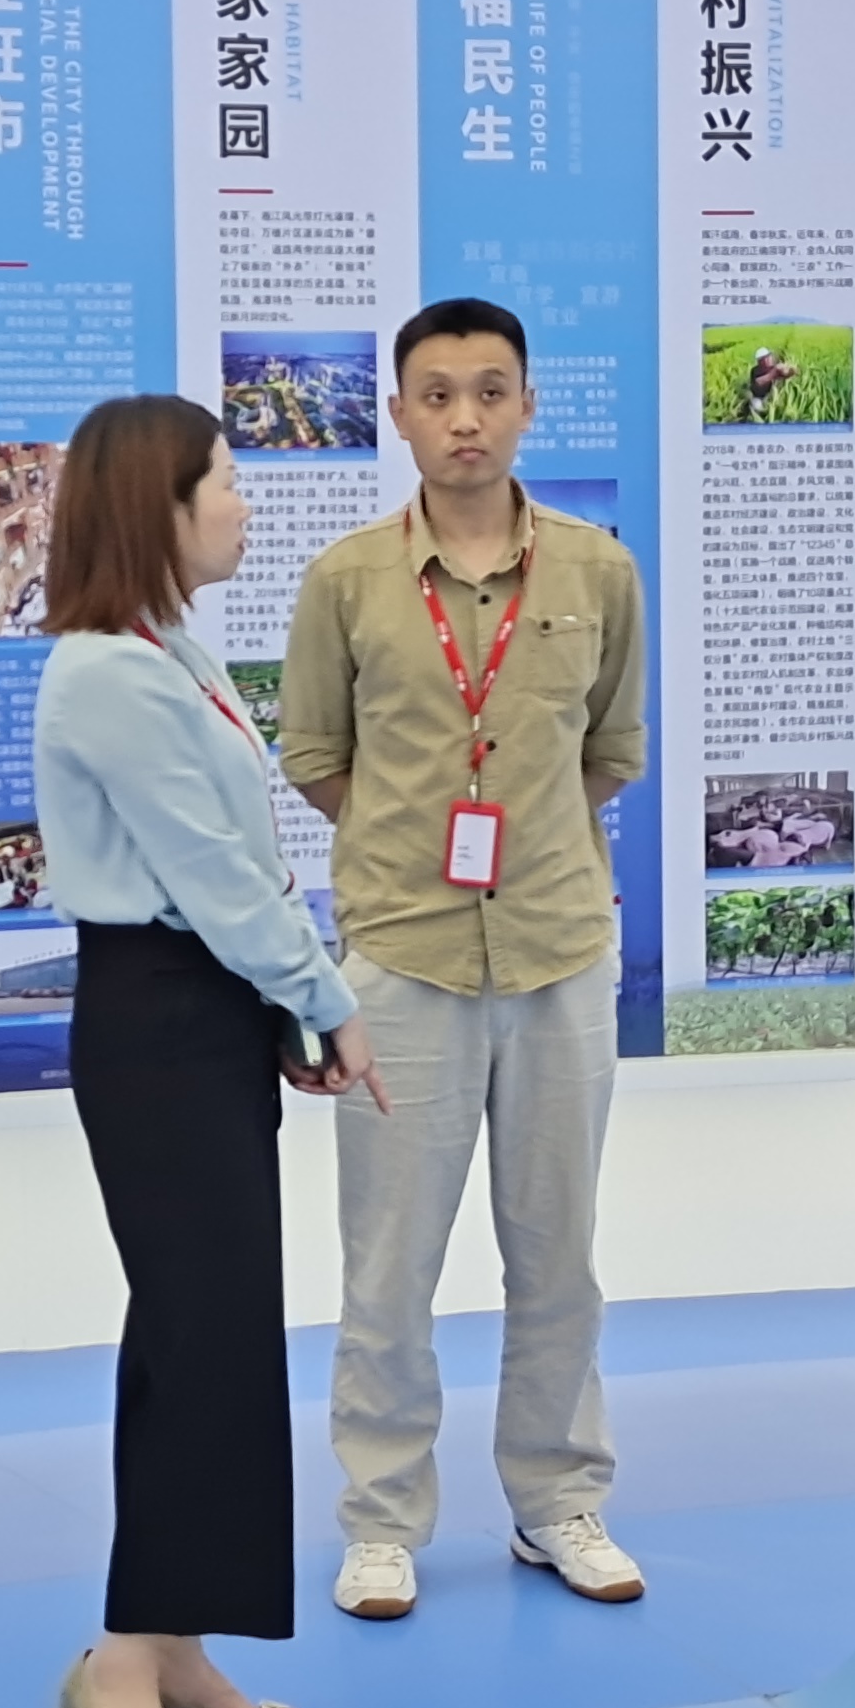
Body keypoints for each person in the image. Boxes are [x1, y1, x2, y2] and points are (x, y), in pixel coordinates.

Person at [276, 297, 651, 1621]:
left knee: (559, 1255)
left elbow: (612, 749)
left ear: (528, 405)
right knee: (389, 1266)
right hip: (405, 958)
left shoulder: (598, 571)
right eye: (437, 395)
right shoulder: (346, 580)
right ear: (398, 414)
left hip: (559, 950)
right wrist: (413, 853)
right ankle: (382, 1520)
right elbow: (315, 756)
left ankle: (558, 1502)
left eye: (491, 391)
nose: (465, 419)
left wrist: (525, 845)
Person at [31, 397, 377, 1708]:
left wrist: (281, 1004)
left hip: (209, 1011)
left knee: (214, 1337)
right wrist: (326, 998)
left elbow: (237, 859)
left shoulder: (172, 651)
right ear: (154, 506)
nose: (244, 502)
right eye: (224, 480)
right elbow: (216, 878)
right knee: (199, 1335)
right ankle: (121, 1659)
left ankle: (174, 1643)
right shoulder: (105, 674)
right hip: (157, 1018)